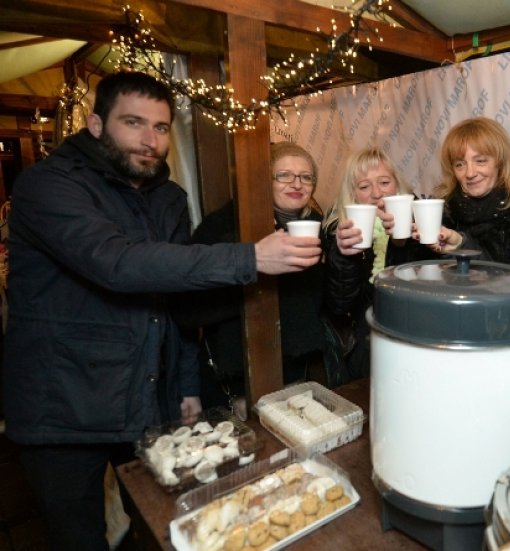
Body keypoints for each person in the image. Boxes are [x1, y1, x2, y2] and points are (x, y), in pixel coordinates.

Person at [2, 71, 321, 551]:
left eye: (160, 127)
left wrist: (186, 387)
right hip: (62, 410)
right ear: (95, 124)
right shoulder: (48, 187)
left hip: (144, 402)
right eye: (134, 123)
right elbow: (118, 264)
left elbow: (172, 303)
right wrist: (251, 257)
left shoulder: (167, 198)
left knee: (161, 526)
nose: (150, 140)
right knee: (79, 538)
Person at [173, 141, 330, 413]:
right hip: (236, 381)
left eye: (306, 177)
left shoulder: (317, 226)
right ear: (263, 179)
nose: (297, 184)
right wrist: (252, 264)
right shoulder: (222, 227)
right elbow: (189, 311)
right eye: (284, 175)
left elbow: (324, 302)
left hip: (294, 376)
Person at [324, 147, 433, 382]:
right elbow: (339, 307)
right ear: (352, 196)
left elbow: (428, 294)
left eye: (384, 182)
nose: (376, 193)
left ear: (397, 185)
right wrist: (344, 256)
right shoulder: (342, 233)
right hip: (366, 345)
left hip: (417, 341)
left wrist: (401, 244)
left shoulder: (423, 224)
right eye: (364, 186)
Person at [429, 117, 510, 262]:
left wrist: (460, 245)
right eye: (460, 164)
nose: (470, 173)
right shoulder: (442, 213)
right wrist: (401, 242)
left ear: (500, 162)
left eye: (480, 161)